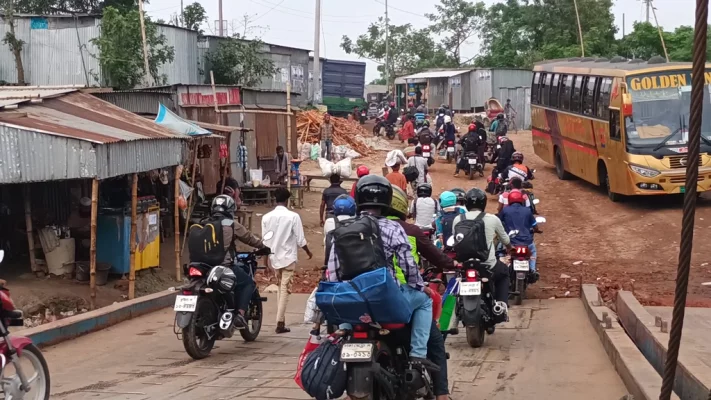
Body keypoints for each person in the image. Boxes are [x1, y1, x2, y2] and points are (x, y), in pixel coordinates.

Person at [326, 175, 436, 368]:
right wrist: (420, 286)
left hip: (352, 300)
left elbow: (333, 272)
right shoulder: (393, 227)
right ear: (387, 200)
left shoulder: (342, 228)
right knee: (425, 301)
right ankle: (418, 354)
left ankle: (344, 327)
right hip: (386, 299)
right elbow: (407, 266)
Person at [386, 186, 452, 400]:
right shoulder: (410, 231)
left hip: (367, 298)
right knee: (436, 342)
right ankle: (442, 393)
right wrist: (453, 265)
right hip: (404, 296)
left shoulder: (364, 228)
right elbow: (436, 257)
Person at [206, 194, 267, 329]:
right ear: (230, 209)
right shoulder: (231, 224)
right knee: (248, 283)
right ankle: (240, 314)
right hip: (223, 267)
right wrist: (263, 246)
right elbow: (248, 237)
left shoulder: (204, 223)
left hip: (203, 267)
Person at [452, 188, 512, 318]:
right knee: (503, 274)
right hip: (488, 265)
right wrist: (509, 248)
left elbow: (455, 239)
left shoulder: (458, 219)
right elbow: (506, 240)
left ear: (467, 203)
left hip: (465, 265)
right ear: (484, 203)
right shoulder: (492, 219)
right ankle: (501, 305)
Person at [261, 188, 313, 333]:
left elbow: (265, 241)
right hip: (288, 257)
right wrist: (308, 252)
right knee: (284, 290)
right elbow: (300, 239)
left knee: (280, 288)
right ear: (287, 200)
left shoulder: (266, 217)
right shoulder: (293, 216)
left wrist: (265, 262)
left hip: (274, 257)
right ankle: (279, 323)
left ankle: (281, 320)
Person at [499, 190, 541, 278]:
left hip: (511, 242)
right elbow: (535, 225)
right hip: (527, 242)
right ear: (522, 200)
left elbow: (499, 222)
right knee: (533, 252)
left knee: (501, 252)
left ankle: (502, 269)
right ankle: (532, 270)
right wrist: (536, 230)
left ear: (509, 199)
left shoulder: (505, 210)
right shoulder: (527, 210)